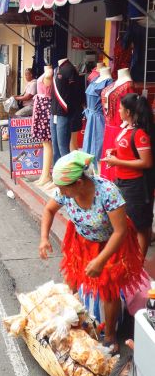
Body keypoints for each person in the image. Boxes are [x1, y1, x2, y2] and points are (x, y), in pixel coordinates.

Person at [39, 150, 145, 351]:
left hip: (112, 242)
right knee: (72, 279)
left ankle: (111, 335)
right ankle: (65, 319)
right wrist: (44, 238)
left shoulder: (107, 192)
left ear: (79, 183)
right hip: (82, 240)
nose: (60, 193)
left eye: (63, 189)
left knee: (109, 288)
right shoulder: (65, 191)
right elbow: (48, 209)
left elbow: (120, 231)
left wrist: (100, 261)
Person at [101, 93, 154, 257]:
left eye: (121, 109)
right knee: (125, 222)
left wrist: (118, 161)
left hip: (136, 186)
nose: (118, 111)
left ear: (128, 112)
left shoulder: (139, 134)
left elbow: (146, 162)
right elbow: (128, 151)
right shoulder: (126, 130)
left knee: (140, 225)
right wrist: (115, 153)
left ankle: (139, 263)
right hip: (122, 183)